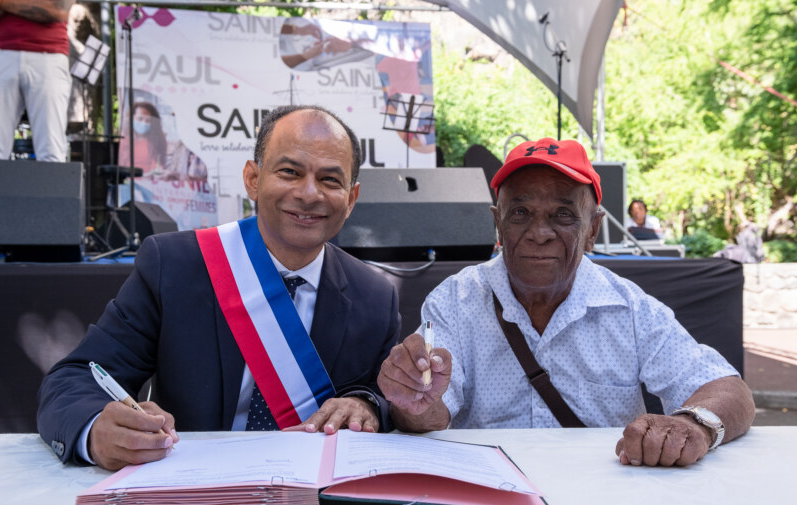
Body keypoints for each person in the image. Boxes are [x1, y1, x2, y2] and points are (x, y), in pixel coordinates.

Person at [37, 105, 402, 471]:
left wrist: (366, 404)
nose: (309, 194)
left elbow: (386, 397)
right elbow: (76, 378)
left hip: (314, 503)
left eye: (329, 180)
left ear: (351, 199)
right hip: (191, 496)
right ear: (252, 179)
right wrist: (95, 430)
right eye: (289, 172)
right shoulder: (175, 265)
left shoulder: (374, 296)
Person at [378, 138, 755, 468]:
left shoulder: (628, 307)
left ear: (592, 230)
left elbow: (726, 388)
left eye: (562, 215)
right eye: (521, 213)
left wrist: (692, 425)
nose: (539, 234)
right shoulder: (455, 300)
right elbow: (429, 414)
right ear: (498, 225)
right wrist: (414, 400)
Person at [0, 0, 75, 162]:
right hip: (1, 53)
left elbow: (58, 11)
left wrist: (4, 4)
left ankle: (52, 188)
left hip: (50, 56)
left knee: (51, 152)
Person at [118, 101, 167, 174]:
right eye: (140, 119)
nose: (144, 123)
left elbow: (158, 167)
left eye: (148, 120)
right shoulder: (123, 140)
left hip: (148, 182)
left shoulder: (158, 141)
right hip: (127, 181)